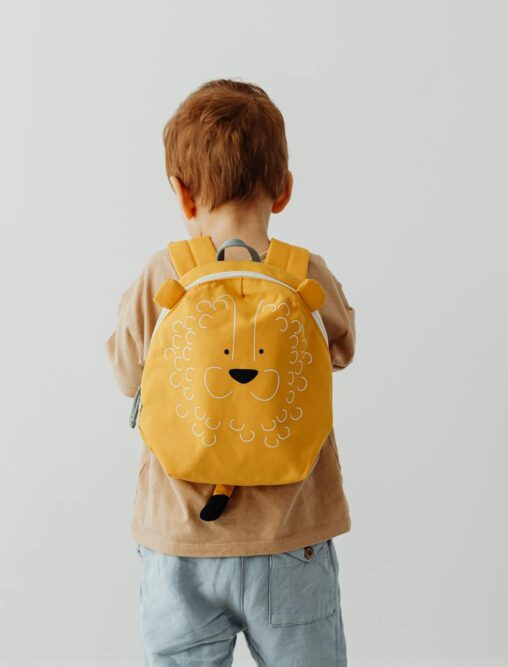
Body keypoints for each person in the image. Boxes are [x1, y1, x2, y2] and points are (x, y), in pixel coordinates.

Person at [106, 79, 356, 666]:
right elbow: (342, 350)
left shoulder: (162, 273)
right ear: (284, 190)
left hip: (179, 541)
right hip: (293, 539)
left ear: (183, 194)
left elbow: (126, 374)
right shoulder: (305, 272)